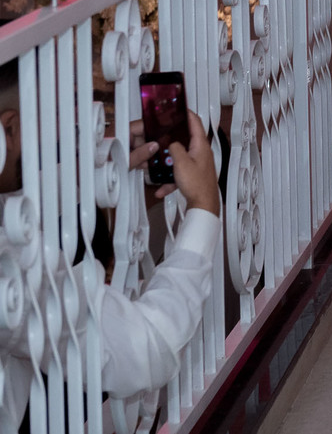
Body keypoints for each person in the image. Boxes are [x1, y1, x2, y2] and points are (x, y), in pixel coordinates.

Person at [0, 94, 220, 426]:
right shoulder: (11, 273)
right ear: (11, 127)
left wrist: (98, 163)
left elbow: (12, 212)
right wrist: (205, 206)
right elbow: (150, 344)